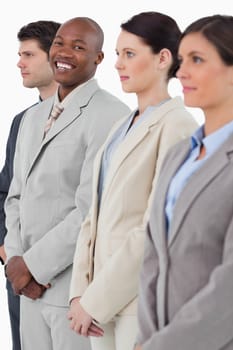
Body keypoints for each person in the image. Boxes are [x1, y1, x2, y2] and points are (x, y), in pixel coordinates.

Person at [68, 11, 198, 350]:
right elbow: (92, 218)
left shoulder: (178, 126)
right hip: (99, 305)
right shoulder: (119, 128)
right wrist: (79, 294)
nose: (117, 64)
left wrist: (94, 301)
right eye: (117, 54)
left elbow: (155, 228)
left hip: (138, 303)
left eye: (129, 54)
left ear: (163, 59)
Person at [4, 17, 130, 350]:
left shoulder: (111, 115)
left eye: (78, 47)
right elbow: (16, 196)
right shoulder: (31, 117)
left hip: (70, 293)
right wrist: (16, 262)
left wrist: (32, 266)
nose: (65, 53)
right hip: (27, 290)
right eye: (59, 43)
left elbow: (90, 210)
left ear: (98, 58)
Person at [135, 14, 233, 350]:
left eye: (197, 60)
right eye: (181, 60)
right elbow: (152, 257)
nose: (180, 73)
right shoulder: (179, 155)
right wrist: (146, 340)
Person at [0, 20, 60, 350]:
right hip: (19, 275)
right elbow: (5, 191)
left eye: (28, 54)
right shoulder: (21, 122)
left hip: (65, 275)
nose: (19, 62)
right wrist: (8, 254)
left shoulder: (100, 118)